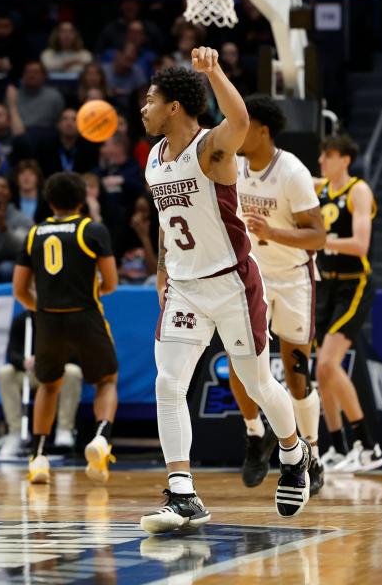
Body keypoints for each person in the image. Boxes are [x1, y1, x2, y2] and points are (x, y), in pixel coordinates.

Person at [139, 50, 311, 534]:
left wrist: (213, 72)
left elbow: (238, 117)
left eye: (150, 101)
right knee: (167, 384)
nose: (143, 109)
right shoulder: (154, 158)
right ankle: (183, 493)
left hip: (233, 282)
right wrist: (161, 272)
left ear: (174, 107)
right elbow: (166, 225)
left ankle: (294, 453)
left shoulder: (211, 148)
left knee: (257, 384)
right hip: (185, 288)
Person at [224, 95, 327, 492]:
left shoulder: (292, 173)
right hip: (253, 278)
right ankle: (254, 434)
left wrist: (273, 233)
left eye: (244, 124)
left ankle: (312, 454)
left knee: (297, 374)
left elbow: (317, 236)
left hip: (294, 279)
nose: (236, 130)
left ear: (263, 130)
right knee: (239, 360)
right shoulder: (233, 165)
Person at [12, 172, 120, 484]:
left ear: (49, 202)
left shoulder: (35, 234)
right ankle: (101, 438)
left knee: (48, 385)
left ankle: (38, 459)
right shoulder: (93, 230)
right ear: (81, 200)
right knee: (107, 380)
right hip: (86, 314)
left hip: (48, 319)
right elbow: (111, 283)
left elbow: (19, 289)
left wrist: (44, 307)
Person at [311, 135, 382, 474]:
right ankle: (339, 448)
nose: (322, 161)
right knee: (321, 373)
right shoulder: (319, 187)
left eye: (328, 155)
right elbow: (288, 176)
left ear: (345, 159)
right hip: (324, 285)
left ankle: (369, 447)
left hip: (353, 285)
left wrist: (319, 240)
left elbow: (360, 243)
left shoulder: (358, 190)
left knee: (327, 365)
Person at [0, 311, 83, 458]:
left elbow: (75, 354)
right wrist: (23, 361)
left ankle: (64, 430)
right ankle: (16, 432)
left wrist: (51, 359)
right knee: (5, 373)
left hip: (56, 372)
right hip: (29, 374)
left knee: (73, 372)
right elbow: (11, 354)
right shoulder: (22, 320)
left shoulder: (64, 320)